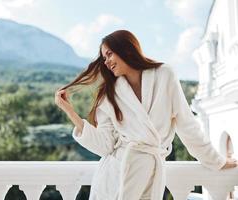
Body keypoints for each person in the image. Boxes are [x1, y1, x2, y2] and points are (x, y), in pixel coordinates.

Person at [54, 30, 237, 200]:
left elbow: (187, 125)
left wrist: (216, 161)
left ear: (126, 48)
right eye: (103, 58)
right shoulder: (109, 96)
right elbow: (105, 145)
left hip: (150, 172)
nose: (106, 62)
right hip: (114, 178)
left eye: (109, 54)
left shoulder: (164, 75)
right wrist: (71, 113)